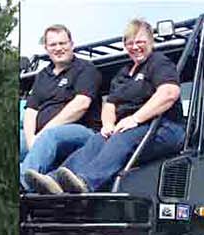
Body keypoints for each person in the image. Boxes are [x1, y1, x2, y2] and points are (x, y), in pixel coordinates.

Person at [37, 19, 186, 195]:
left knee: (122, 138)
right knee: (97, 140)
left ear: (151, 41)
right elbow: (110, 104)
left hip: (165, 128)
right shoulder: (124, 73)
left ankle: (87, 181)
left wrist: (135, 119)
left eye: (140, 42)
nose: (135, 47)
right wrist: (108, 125)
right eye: (130, 43)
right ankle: (53, 181)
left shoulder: (159, 62)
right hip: (131, 129)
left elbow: (169, 93)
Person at [20, 24, 102, 193]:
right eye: (53, 44)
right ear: (46, 48)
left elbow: (81, 104)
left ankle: (21, 186)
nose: (58, 48)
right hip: (42, 136)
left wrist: (43, 133)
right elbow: (31, 110)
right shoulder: (43, 75)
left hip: (84, 134)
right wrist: (31, 139)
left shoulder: (85, 69)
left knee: (50, 135)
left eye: (62, 43)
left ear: (71, 44)